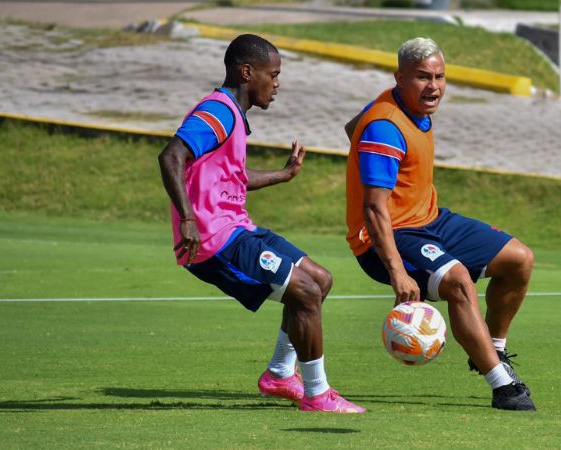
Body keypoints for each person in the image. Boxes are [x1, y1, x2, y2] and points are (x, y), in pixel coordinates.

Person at [158, 34, 365, 414]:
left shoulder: (233, 116)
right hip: (213, 239)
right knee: (304, 291)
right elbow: (171, 156)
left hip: (238, 227)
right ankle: (318, 395)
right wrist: (187, 218)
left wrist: (283, 175)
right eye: (274, 74)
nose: (277, 83)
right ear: (247, 71)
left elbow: (232, 176)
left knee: (319, 280)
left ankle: (280, 374)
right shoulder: (218, 111)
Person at [344, 37, 536, 411]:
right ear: (399, 78)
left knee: (519, 260)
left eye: (439, 77)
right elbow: (372, 209)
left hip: (431, 220)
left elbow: (353, 127)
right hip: (387, 236)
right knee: (458, 280)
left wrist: (363, 137)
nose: (433, 86)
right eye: (422, 77)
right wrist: (397, 272)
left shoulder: (400, 106)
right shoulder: (384, 128)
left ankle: (490, 349)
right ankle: (502, 385)